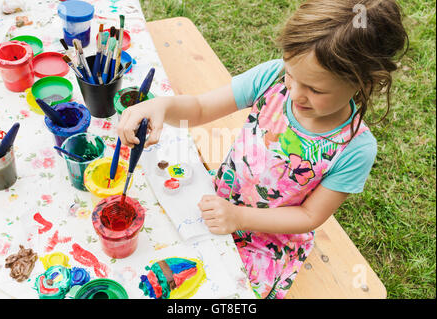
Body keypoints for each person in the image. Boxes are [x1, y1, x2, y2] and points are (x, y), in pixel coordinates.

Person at [117, 0, 408, 299]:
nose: (295, 93)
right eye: (291, 76)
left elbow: (309, 216)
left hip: (268, 239)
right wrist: (161, 105)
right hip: (220, 196)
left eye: (315, 90)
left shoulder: (356, 148)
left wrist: (239, 218)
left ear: (365, 80)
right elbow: (201, 108)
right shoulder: (272, 77)